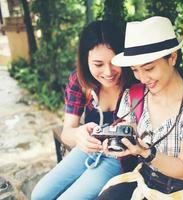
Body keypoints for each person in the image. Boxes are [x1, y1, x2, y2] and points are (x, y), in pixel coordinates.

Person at [96, 16, 183, 200]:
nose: (142, 78)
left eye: (149, 68)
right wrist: (114, 139)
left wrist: (145, 152)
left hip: (181, 191)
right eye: (135, 70)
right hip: (143, 181)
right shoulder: (135, 96)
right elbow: (131, 134)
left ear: (172, 58)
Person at [31, 20, 138, 200]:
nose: (108, 71)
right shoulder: (80, 81)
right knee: (39, 194)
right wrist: (78, 135)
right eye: (98, 64)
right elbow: (67, 132)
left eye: (114, 62)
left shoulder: (137, 84)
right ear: (85, 60)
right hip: (87, 149)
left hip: (119, 159)